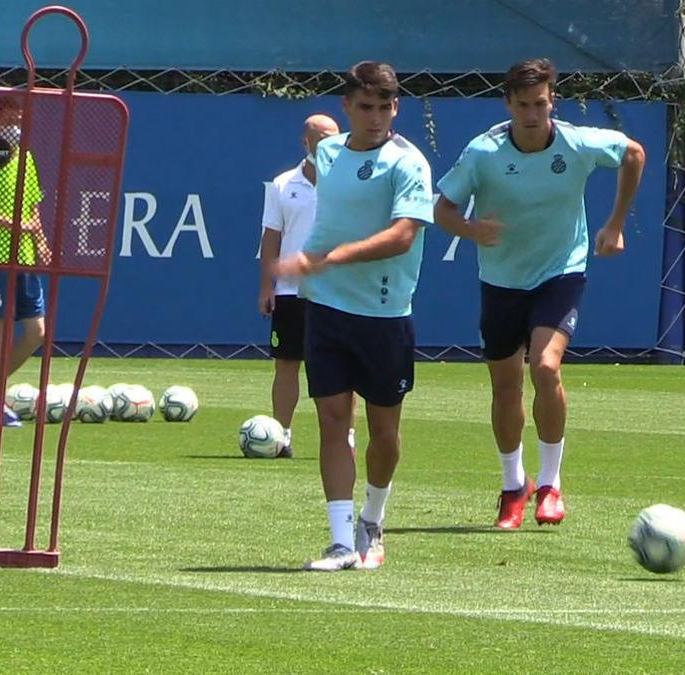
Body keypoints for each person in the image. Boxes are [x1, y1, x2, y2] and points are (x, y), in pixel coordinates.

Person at [434, 58, 646, 529]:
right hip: (501, 281)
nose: (533, 114)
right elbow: (442, 208)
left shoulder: (575, 142)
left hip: (561, 273)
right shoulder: (482, 153)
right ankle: (514, 486)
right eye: (524, 105)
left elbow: (633, 154)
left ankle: (550, 484)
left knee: (545, 366)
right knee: (505, 384)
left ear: (553, 102)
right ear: (508, 103)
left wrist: (614, 224)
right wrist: (470, 229)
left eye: (542, 104)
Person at [273, 61, 433, 571]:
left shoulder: (408, 163)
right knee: (332, 420)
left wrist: (336, 255)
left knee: (384, 432)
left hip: (385, 313)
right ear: (347, 107)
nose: (375, 116)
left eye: (384, 106)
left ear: (395, 108)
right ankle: (341, 542)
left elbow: (404, 234)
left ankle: (373, 518)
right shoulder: (326, 152)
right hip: (324, 306)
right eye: (365, 106)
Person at [257, 113, 352, 458]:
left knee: (342, 366)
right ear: (305, 141)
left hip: (336, 289)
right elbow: (271, 238)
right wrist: (267, 287)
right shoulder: (283, 184)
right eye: (320, 137)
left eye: (333, 137)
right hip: (290, 291)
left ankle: (347, 437)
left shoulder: (348, 182)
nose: (327, 144)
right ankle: (281, 437)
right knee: (286, 363)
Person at [0, 95, 52, 428]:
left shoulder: (27, 159)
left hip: (26, 258)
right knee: (2, 331)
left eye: (19, 120)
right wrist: (13, 225)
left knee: (36, 332)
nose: (15, 126)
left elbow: (32, 206)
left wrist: (40, 239)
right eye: (8, 120)